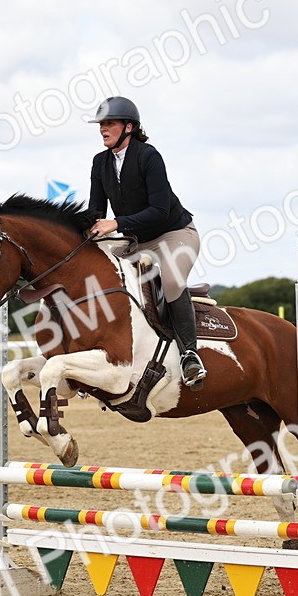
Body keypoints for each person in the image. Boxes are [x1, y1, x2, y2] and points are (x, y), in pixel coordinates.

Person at [85, 96, 206, 389]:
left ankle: (190, 355)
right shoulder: (100, 162)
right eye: (101, 124)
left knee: (173, 281)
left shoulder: (148, 156)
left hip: (174, 235)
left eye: (109, 123)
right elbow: (95, 211)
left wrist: (116, 223)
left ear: (129, 127)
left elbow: (159, 211)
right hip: (135, 239)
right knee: (93, 270)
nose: (103, 129)